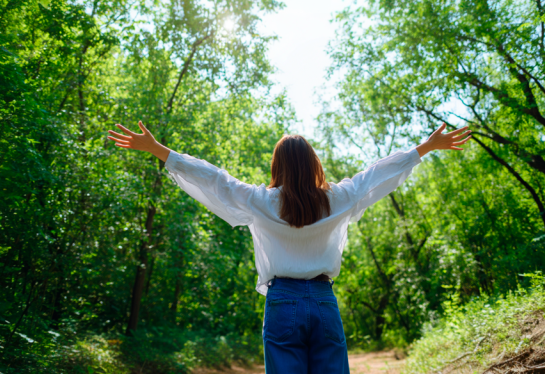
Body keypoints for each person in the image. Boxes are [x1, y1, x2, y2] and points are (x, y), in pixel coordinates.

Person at [107, 121, 471, 373]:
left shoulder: (259, 201)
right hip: (324, 301)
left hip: (282, 304)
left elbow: (215, 179)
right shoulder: (337, 199)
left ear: (277, 166)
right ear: (313, 163)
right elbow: (376, 174)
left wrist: (159, 150)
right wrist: (424, 148)